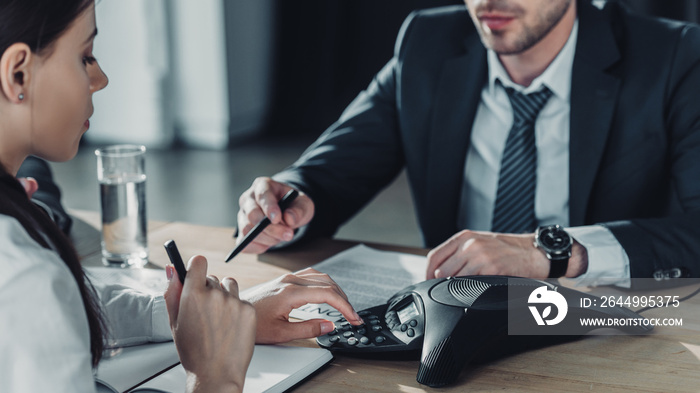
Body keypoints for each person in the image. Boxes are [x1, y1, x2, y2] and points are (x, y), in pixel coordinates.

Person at [0, 1, 361, 392]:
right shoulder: (26, 275)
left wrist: (197, 315)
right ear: (18, 73)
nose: (101, 78)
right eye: (85, 57)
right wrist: (214, 376)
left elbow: (59, 307)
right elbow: (39, 297)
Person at [236, 0, 700, 287]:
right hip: (457, 316)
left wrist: (548, 253)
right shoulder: (429, 42)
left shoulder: (674, 57)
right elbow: (332, 170)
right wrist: (289, 199)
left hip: (604, 318)